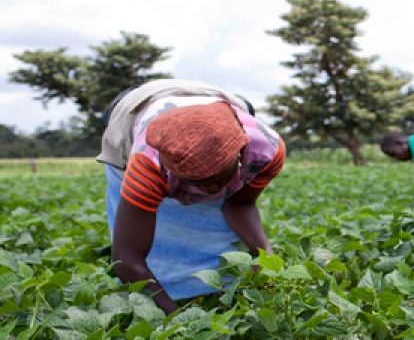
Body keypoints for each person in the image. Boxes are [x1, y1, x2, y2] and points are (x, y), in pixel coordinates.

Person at [97, 79, 285, 314]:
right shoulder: (147, 163)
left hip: (215, 98)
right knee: (158, 245)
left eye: (217, 180)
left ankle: (215, 292)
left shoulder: (266, 149)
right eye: (197, 183)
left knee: (214, 229)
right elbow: (128, 259)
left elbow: (240, 204)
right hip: (132, 109)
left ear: (240, 158)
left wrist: (265, 255)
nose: (209, 192)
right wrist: (176, 321)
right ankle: (177, 292)